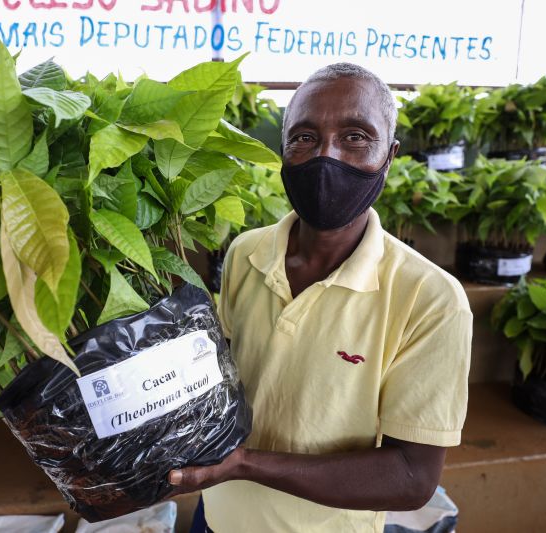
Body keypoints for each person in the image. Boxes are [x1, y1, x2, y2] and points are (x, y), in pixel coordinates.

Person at [168, 62, 473, 532]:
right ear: (284, 150)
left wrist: (245, 464)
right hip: (217, 519)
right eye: (305, 137)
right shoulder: (247, 252)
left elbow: (412, 478)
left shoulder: (430, 299)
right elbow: (223, 377)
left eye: (355, 137)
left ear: (389, 155)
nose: (325, 156)